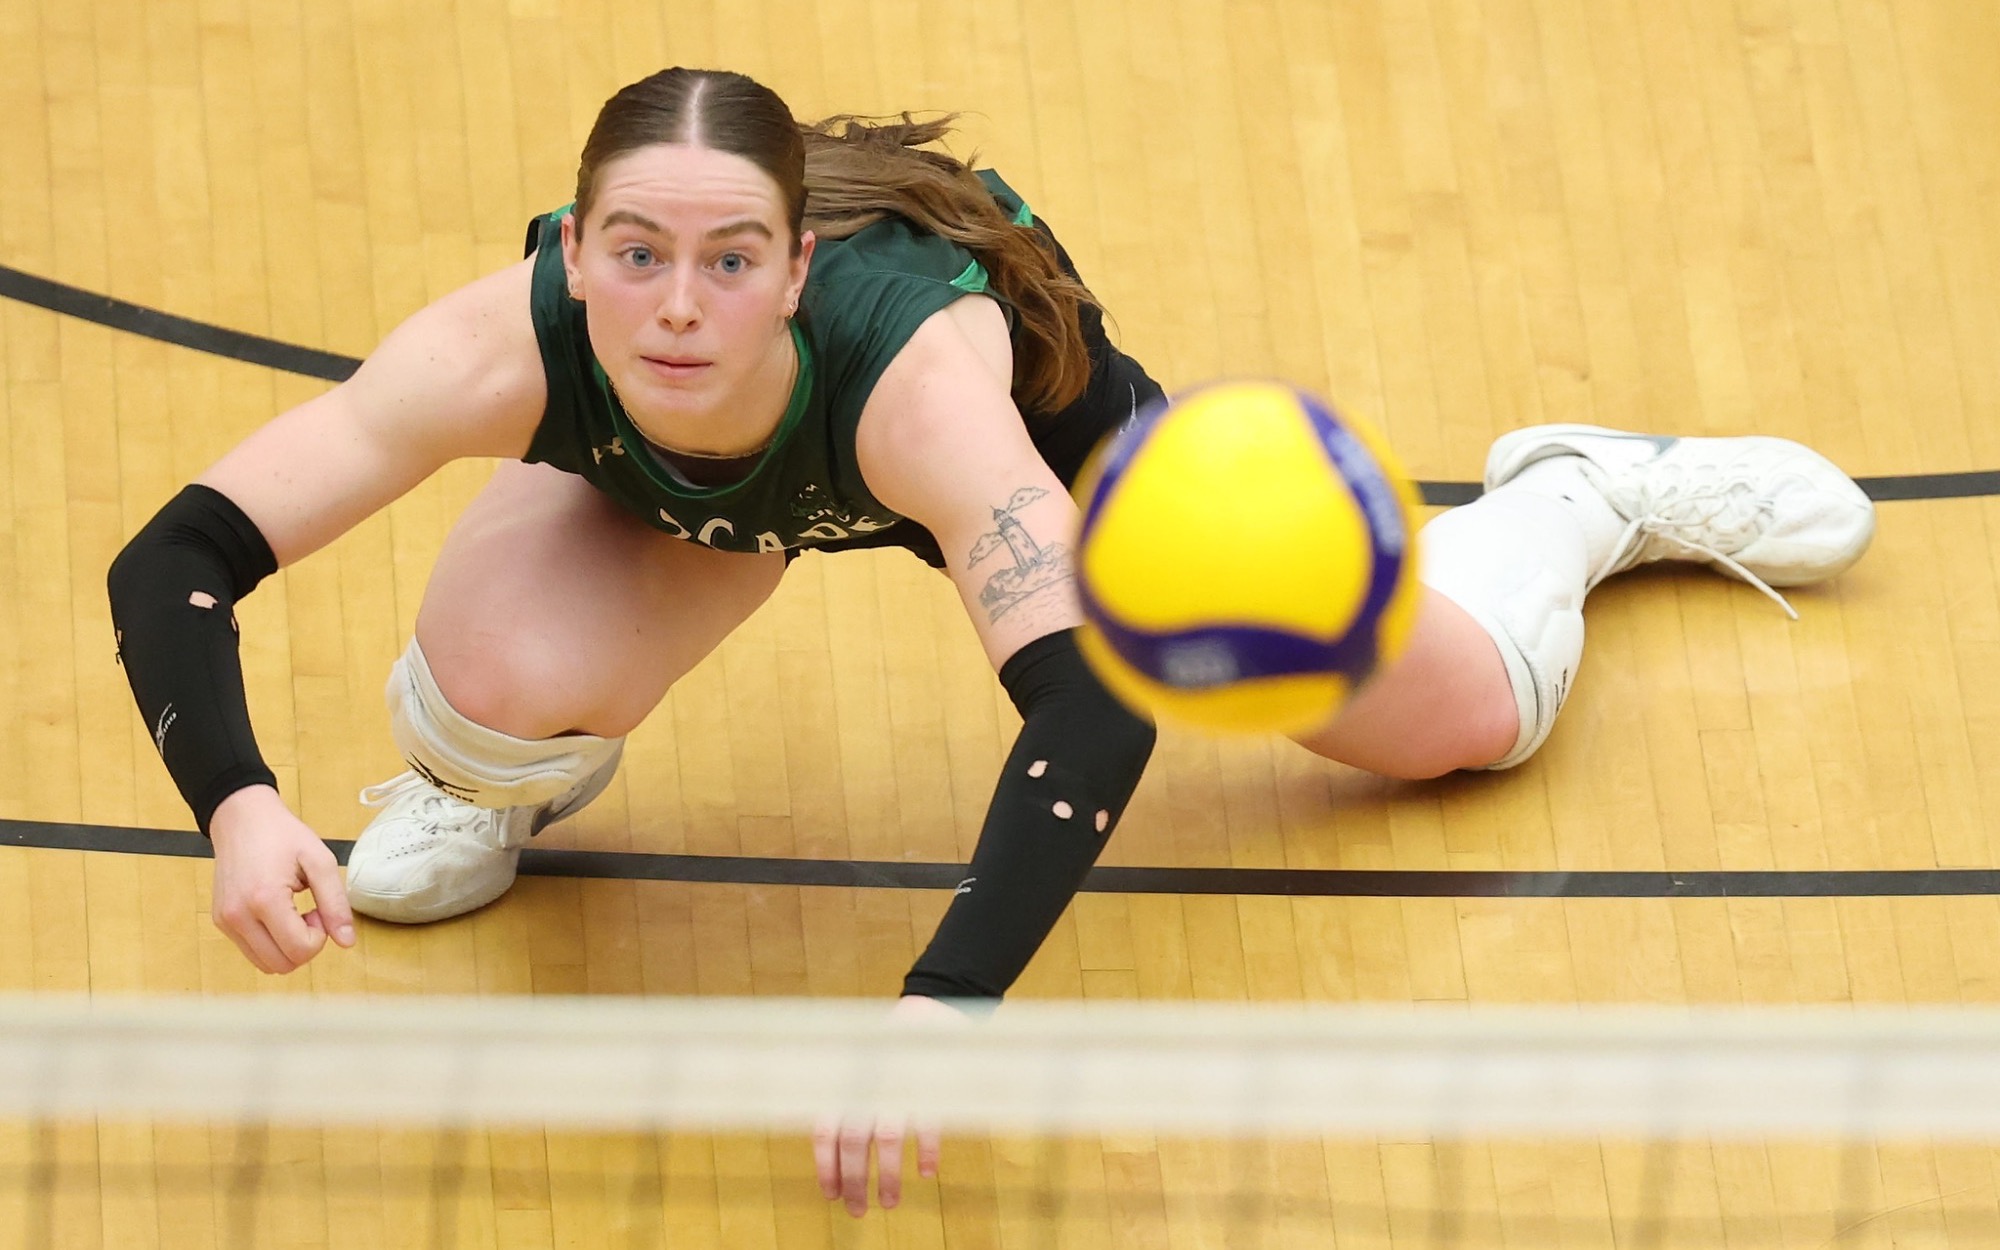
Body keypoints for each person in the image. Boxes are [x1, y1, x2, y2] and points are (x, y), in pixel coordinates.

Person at [106, 67, 1875, 1217]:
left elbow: (1092, 707)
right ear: (576, 248)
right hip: (719, 485)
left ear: (798, 269)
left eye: (731, 260)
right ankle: (489, 785)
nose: (673, 302)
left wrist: (943, 1004)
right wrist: (239, 801)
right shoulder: (513, 339)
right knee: (493, 664)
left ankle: (1570, 500)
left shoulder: (930, 395)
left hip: (1043, 445)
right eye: (634, 254)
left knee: (1455, 720)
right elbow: (177, 556)